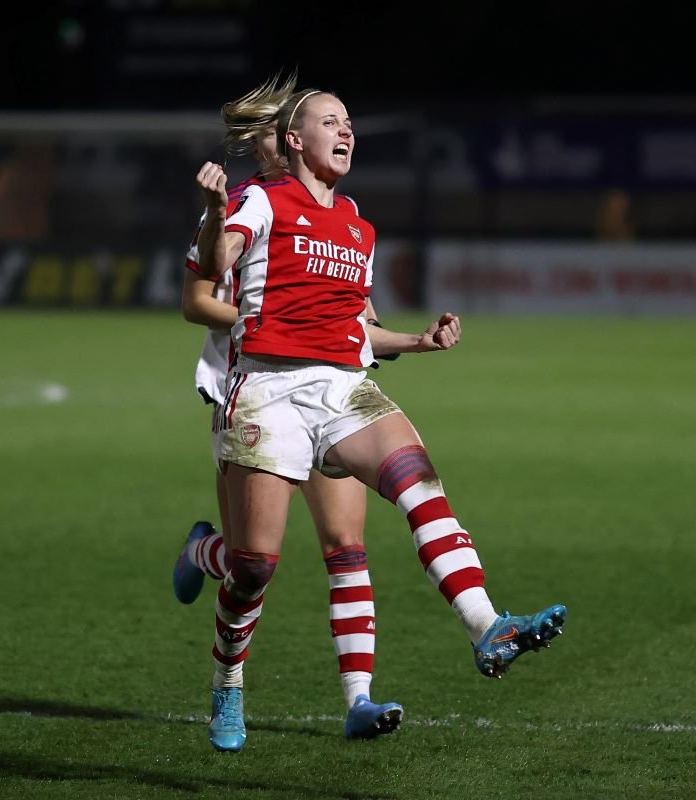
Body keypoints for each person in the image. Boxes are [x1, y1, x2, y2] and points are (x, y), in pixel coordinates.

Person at [191, 83, 568, 753]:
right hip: (268, 392)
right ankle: (227, 681)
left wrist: (418, 342)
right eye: (330, 121)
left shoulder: (357, 225)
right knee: (253, 566)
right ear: (297, 141)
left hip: (343, 387)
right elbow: (213, 267)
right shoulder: (258, 200)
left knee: (416, 480)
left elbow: (356, 329)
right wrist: (218, 211)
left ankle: (487, 625)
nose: (347, 131)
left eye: (350, 123)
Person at [172, 73, 403, 745]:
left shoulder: (337, 211)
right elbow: (195, 301)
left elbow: (354, 309)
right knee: (252, 563)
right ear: (274, 142)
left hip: (326, 389)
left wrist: (371, 327)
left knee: (346, 544)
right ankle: (213, 603)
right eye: (281, 130)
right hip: (249, 385)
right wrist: (268, 321)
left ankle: (358, 699)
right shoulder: (243, 203)